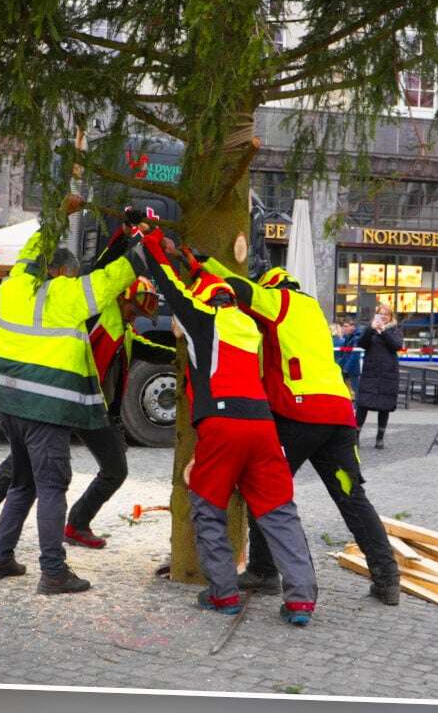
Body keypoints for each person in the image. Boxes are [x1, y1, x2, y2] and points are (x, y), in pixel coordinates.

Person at [0, 222, 173, 556]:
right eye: (134, 308)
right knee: (18, 473)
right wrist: (136, 244)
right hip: (59, 403)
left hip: (91, 409)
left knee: (115, 469)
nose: (135, 316)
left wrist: (182, 358)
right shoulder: (90, 311)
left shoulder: (124, 330)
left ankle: (77, 523)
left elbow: (146, 349)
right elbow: (102, 271)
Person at [198, 258, 401, 605]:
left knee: (265, 489)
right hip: (339, 415)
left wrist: (202, 263)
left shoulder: (279, 301)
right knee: (351, 497)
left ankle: (263, 571)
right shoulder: (315, 314)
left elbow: (241, 287)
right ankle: (387, 577)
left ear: (273, 286)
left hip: (297, 413)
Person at [142, 233, 317, 625]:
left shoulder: (205, 320)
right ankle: (301, 600)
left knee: (207, 505)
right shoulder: (247, 326)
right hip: (262, 426)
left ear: (207, 301)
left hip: (223, 426)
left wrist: (149, 243)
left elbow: (169, 285)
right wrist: (192, 258)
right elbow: (205, 283)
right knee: (278, 511)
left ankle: (223, 594)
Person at [0, 193, 147, 595]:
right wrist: (145, 244)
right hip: (46, 408)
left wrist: (57, 216)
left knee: (23, 483)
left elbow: (30, 251)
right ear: (61, 273)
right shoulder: (69, 298)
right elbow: (114, 278)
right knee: (53, 486)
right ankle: (53, 572)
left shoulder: (14, 286)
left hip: (9, 405)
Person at [355, 304, 404, 450]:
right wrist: (371, 329)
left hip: (388, 373)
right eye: (380, 313)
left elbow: (396, 345)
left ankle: (380, 438)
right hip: (371, 372)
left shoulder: (395, 329)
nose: (383, 316)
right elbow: (361, 343)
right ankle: (356, 436)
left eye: (386, 314)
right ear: (376, 315)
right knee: (363, 405)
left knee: (385, 406)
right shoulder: (370, 329)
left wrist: (383, 331)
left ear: (390, 317)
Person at [334, 318, 362, 398]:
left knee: (355, 391)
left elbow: (354, 355)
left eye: (346, 326)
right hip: (345, 367)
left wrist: (346, 368)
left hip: (352, 369)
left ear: (352, 327)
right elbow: (344, 354)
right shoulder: (348, 337)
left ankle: (356, 407)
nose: (344, 328)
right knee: (346, 390)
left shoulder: (356, 338)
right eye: (343, 326)